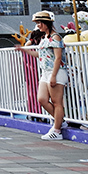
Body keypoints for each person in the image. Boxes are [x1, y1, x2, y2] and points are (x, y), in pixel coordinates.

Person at [15, 11, 67, 140]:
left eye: (39, 23)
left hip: (56, 71)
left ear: (46, 23)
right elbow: (41, 55)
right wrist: (24, 50)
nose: (38, 26)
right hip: (45, 72)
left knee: (56, 102)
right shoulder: (44, 38)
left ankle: (57, 130)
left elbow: (58, 57)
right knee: (42, 99)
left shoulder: (55, 37)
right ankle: (60, 121)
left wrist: (54, 76)